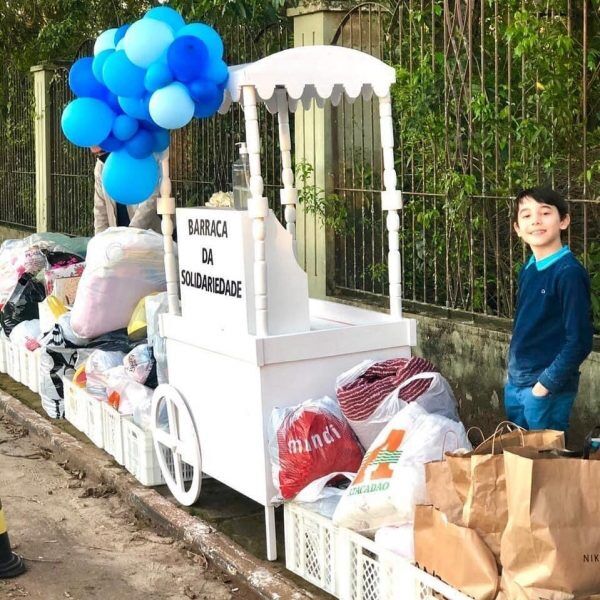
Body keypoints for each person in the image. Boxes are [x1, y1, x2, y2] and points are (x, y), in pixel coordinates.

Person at [504, 187, 594, 433]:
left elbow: (580, 340)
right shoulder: (529, 268)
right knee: (519, 460)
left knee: (547, 466)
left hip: (544, 391)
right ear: (517, 229)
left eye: (545, 213)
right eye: (526, 215)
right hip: (516, 384)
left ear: (563, 221)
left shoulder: (569, 274)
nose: (535, 220)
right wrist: (511, 375)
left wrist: (544, 386)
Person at [92, 147, 162, 235]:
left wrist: (132, 231)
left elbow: (151, 199)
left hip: (148, 236)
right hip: (117, 237)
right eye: (98, 155)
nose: (101, 157)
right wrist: (100, 239)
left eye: (103, 152)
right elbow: (100, 207)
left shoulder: (143, 159)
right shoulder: (101, 166)